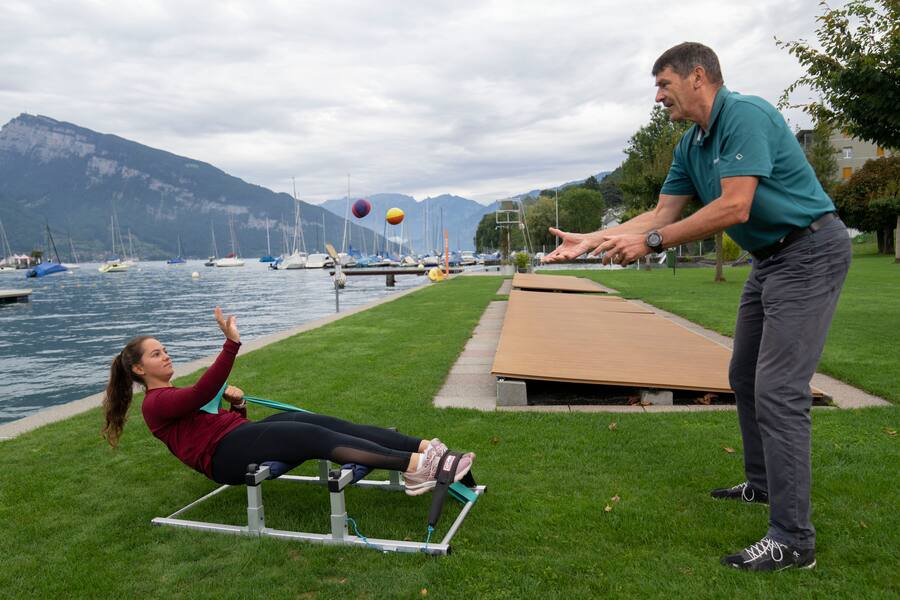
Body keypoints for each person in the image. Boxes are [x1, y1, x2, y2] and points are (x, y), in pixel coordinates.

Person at [543, 42, 850, 571]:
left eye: (663, 84)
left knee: (779, 390)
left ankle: (793, 539)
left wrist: (657, 243)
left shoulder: (745, 116)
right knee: (744, 374)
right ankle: (760, 484)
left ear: (698, 77)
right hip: (769, 260)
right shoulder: (691, 145)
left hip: (809, 250)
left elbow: (735, 205)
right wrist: (591, 239)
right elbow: (661, 211)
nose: (658, 96)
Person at [102, 306, 475, 496]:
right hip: (223, 459)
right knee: (311, 438)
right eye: (155, 354)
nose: (165, 356)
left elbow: (205, 418)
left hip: (234, 437)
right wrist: (231, 344)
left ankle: (428, 449)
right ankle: (416, 468)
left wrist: (237, 408)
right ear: (138, 369)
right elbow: (201, 395)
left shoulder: (169, 395)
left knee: (323, 423)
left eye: (164, 350)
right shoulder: (155, 404)